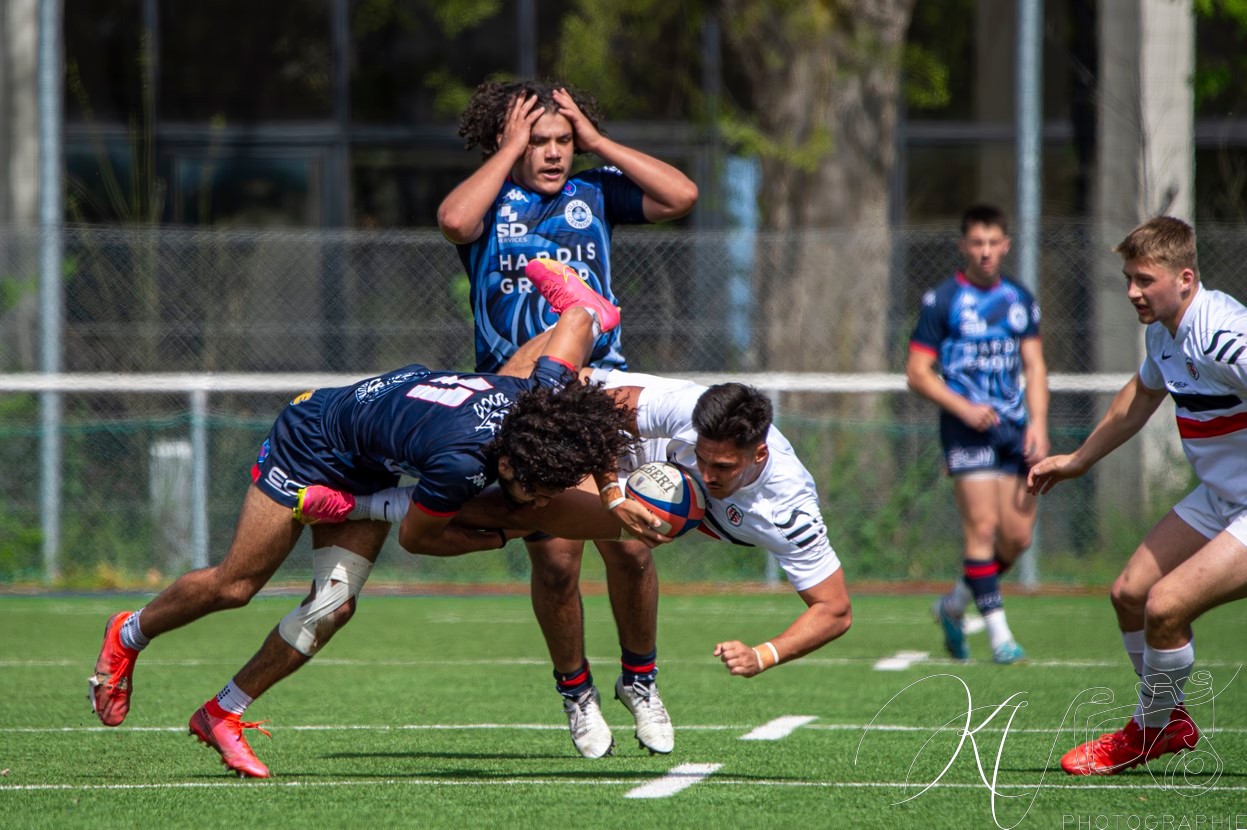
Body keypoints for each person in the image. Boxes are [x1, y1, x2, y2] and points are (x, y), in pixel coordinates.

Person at [87, 274, 638, 779]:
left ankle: (220, 714)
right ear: (510, 463)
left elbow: (575, 326)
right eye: (537, 491)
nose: (543, 505)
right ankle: (128, 633)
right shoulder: (461, 465)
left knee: (334, 606)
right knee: (237, 585)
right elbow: (418, 539)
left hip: (373, 455)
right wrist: (504, 532)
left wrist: (584, 309)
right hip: (311, 441)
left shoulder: (535, 405)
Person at [298, 291, 854, 732]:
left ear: (759, 454)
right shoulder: (689, 409)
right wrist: (614, 494)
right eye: (703, 460)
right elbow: (591, 410)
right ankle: (585, 312)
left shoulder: (788, 505)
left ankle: (637, 682)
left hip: (626, 465)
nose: (707, 476)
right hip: (592, 422)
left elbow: (834, 609)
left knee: (573, 532)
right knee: (528, 502)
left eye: (724, 470)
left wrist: (765, 654)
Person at [436, 78, 698, 757]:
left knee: (634, 546)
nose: (552, 154)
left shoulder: (594, 191)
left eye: (561, 141)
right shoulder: (491, 200)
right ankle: (575, 692)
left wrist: (599, 141)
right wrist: (508, 148)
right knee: (555, 564)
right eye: (539, 141)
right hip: (525, 399)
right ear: (512, 141)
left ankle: (639, 681)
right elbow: (453, 222)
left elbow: (681, 197)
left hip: (604, 389)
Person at [1028, 216, 1243, 775]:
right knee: (1129, 593)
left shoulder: (1224, 335)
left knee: (1165, 606)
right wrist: (1079, 461)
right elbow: (1139, 397)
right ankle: (1168, 722)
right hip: (1222, 495)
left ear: (1185, 278)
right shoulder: (1162, 334)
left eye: (1144, 280)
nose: (1132, 292)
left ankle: (1148, 730)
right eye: (1128, 278)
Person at [906, 204, 1049, 664]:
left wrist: (1039, 425)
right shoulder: (944, 300)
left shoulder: (1019, 299)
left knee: (1017, 538)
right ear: (963, 246)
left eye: (993, 243)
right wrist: (964, 408)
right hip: (965, 430)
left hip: (1014, 429)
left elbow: (1035, 365)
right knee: (982, 528)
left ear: (1005, 245)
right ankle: (1000, 636)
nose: (985, 252)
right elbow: (918, 373)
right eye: (977, 243)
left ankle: (953, 606)